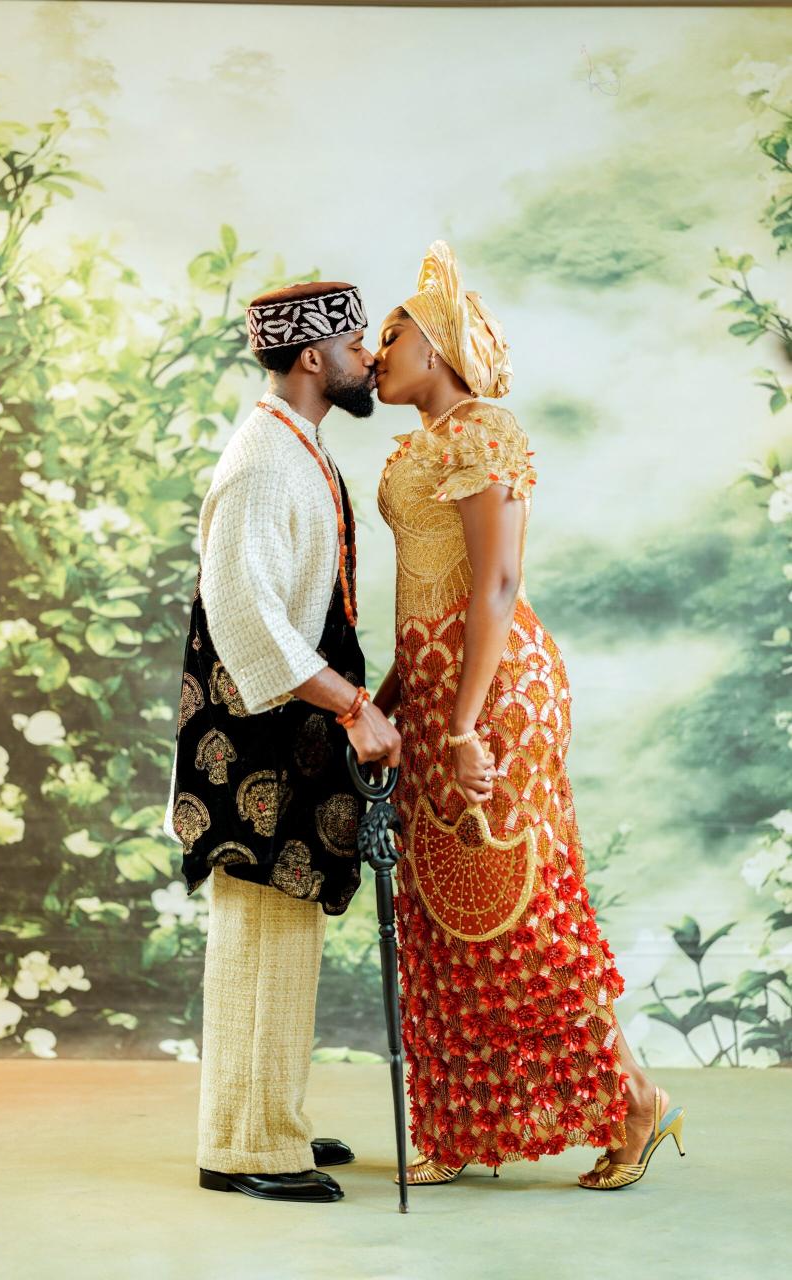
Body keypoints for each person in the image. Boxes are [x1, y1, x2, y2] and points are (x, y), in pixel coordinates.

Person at [372, 241, 686, 1189]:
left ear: (437, 348)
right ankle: (463, 1123)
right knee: (442, 904)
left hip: (496, 693)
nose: (377, 354)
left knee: (519, 900)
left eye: (392, 337)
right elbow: (426, 596)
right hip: (438, 688)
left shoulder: (482, 432)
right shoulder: (420, 445)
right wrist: (385, 703)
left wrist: (465, 725)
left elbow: (499, 585)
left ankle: (636, 1100)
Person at [163, 280, 402, 1204]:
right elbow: (245, 617)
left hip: (284, 729)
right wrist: (354, 707)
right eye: (355, 342)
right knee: (261, 931)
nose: (370, 358)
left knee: (283, 930)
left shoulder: (297, 442)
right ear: (311, 357)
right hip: (253, 739)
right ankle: (246, 1147)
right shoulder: (263, 461)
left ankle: (268, 1117)